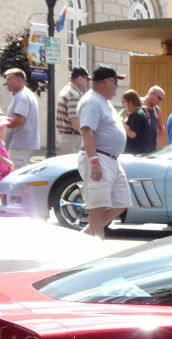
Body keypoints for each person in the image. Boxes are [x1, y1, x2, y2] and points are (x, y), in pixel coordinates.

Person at [76, 65, 129, 238]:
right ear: (106, 82)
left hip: (111, 159)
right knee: (97, 208)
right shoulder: (92, 101)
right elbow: (87, 132)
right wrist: (94, 161)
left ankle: (85, 237)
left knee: (120, 203)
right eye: (115, 82)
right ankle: (95, 245)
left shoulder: (102, 100)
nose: (116, 86)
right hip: (99, 157)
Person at [2, 68, 39, 169]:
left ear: (19, 81)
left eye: (9, 79)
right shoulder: (24, 95)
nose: (6, 83)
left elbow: (19, 119)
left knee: (14, 176)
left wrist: (3, 124)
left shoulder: (22, 96)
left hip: (19, 145)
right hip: (22, 144)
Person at [56, 67, 90, 155]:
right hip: (71, 137)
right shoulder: (74, 94)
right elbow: (74, 119)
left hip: (64, 136)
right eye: (87, 79)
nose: (88, 83)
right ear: (80, 78)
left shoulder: (65, 90)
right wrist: (86, 135)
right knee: (75, 166)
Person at [120, 90, 150, 155]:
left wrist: (121, 121)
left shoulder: (137, 114)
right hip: (138, 152)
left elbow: (132, 134)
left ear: (130, 102)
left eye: (123, 102)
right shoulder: (139, 113)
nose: (123, 105)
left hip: (136, 153)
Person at [141, 86, 165, 152]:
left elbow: (161, 127)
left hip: (150, 150)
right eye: (159, 98)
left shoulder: (157, 110)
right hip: (136, 149)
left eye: (161, 99)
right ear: (151, 93)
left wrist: (158, 139)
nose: (159, 101)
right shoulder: (137, 104)